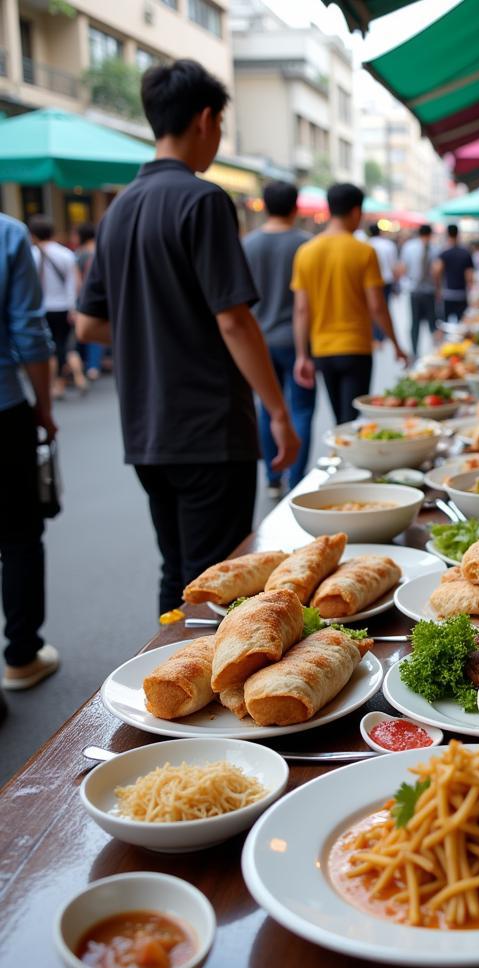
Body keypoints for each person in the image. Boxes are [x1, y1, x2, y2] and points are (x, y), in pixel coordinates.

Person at [77, 59, 299, 615]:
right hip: (208, 425)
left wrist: (152, 322)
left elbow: (89, 325)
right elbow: (233, 320)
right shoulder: (203, 200)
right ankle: (193, 688)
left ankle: (162, 683)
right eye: (219, 126)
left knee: (177, 570)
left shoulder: (117, 211)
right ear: (205, 119)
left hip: (146, 429)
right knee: (220, 580)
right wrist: (277, 412)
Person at [0, 213, 59, 702]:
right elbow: (28, 332)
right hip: (2, 411)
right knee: (19, 536)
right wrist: (44, 408)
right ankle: (21, 655)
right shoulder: (6, 233)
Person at [292, 183, 407, 425]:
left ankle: (341, 458)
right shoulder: (364, 251)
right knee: (352, 420)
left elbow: (302, 309)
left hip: (322, 349)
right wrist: (396, 344)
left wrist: (302, 354)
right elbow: (377, 306)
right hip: (356, 347)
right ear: (356, 212)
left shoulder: (306, 252)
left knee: (339, 419)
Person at [242, 181, 315, 500]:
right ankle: (296, 477)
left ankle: (272, 475)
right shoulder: (305, 244)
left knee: (267, 408)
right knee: (300, 409)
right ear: (295, 207)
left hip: (257, 340)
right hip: (298, 340)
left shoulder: (248, 245)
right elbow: (307, 302)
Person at [28, 215, 87, 398]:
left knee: (50, 348)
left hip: (41, 308)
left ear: (33, 234)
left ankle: (55, 384)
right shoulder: (65, 254)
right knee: (65, 345)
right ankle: (76, 378)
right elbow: (73, 284)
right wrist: (73, 307)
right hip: (63, 307)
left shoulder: (31, 255)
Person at [400, 224, 439, 357]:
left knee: (429, 323)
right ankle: (416, 352)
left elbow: (403, 267)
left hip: (426, 290)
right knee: (418, 323)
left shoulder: (433, 249)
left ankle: (433, 351)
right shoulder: (412, 247)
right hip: (417, 290)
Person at [71, 223, 102, 381]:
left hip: (86, 298)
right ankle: (93, 366)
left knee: (85, 332)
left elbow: (77, 283)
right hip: (104, 298)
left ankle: (85, 365)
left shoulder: (79, 255)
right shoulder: (102, 250)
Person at [366, 223, 399, 344]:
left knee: (373, 307)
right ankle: (382, 334)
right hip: (387, 280)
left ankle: (376, 334)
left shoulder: (366, 245)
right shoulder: (388, 245)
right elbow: (394, 266)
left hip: (371, 283)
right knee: (384, 307)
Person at [434, 224, 474, 322]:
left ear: (447, 235)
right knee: (461, 323)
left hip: (448, 293)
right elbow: (469, 276)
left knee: (446, 324)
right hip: (461, 294)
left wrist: (438, 288)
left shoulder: (444, 253)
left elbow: (436, 271)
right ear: (458, 234)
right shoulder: (465, 253)